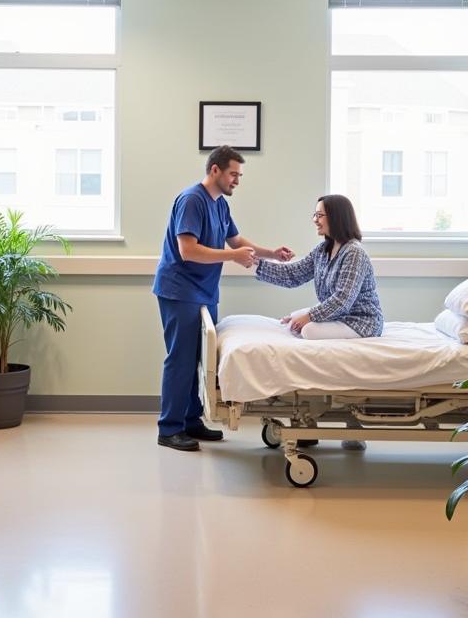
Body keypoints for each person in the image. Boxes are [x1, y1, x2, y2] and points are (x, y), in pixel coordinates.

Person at [152, 146, 294, 452]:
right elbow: (187, 251)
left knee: (199, 360)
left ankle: (191, 421)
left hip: (203, 291)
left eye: (239, 175)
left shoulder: (219, 205)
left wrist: (272, 253)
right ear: (214, 170)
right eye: (233, 174)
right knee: (181, 359)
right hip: (180, 290)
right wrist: (233, 256)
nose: (237, 181)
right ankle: (170, 428)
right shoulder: (192, 200)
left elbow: (236, 240)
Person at [255, 193, 383, 340]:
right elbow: (292, 275)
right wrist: (257, 264)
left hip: (361, 321)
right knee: (294, 319)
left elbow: (342, 300)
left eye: (319, 215)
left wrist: (310, 316)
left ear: (336, 218)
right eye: (315, 215)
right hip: (339, 315)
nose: (315, 220)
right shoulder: (323, 250)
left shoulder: (354, 252)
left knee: (308, 330)